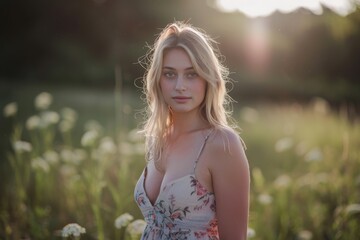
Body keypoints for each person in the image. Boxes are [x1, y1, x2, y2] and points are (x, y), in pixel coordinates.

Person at [134, 21, 250, 240]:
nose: (180, 86)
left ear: (208, 78)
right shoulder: (159, 138)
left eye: (191, 74)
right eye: (169, 74)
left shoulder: (222, 144)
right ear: (158, 80)